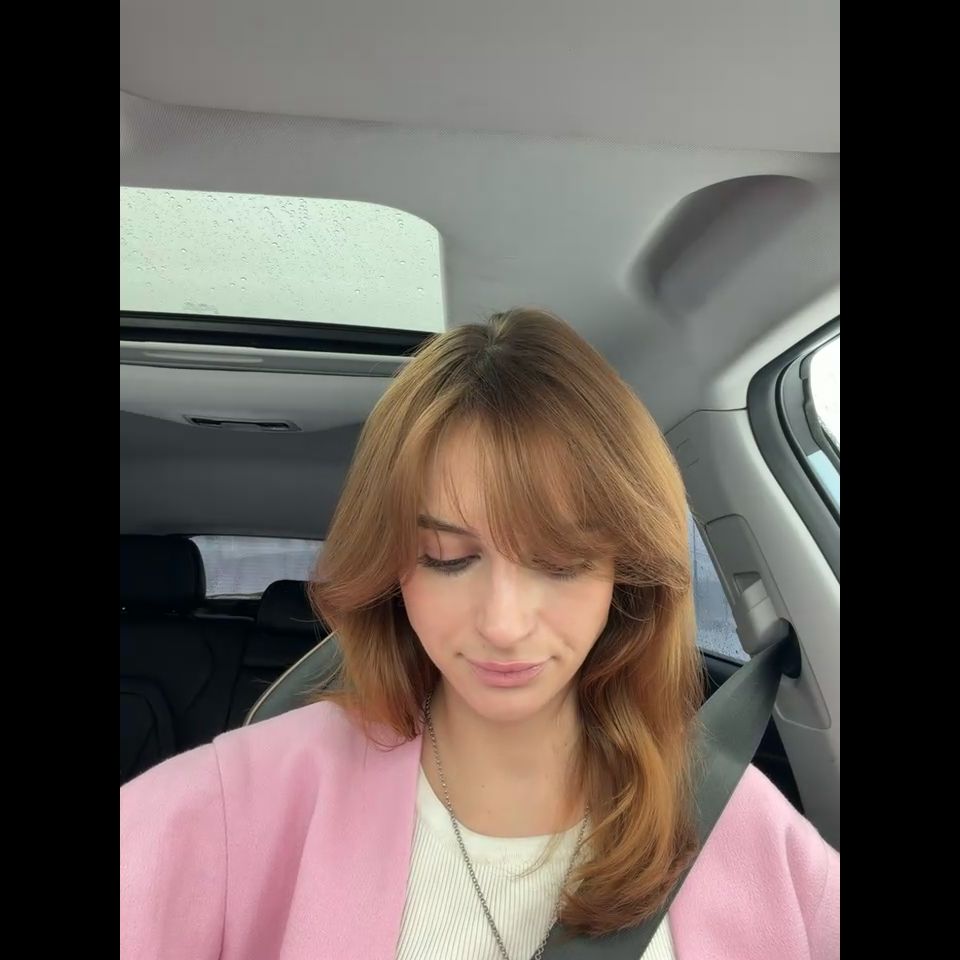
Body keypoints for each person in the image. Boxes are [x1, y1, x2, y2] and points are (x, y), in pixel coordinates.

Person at [120, 308, 839, 960]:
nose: (502, 623)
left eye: (559, 563)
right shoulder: (236, 803)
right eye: (446, 558)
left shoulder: (740, 825)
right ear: (393, 566)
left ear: (626, 574)